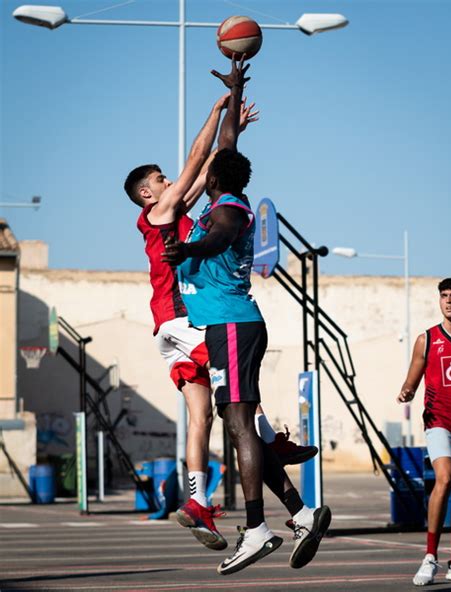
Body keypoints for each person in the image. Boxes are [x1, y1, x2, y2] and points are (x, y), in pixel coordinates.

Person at [124, 60, 316, 553]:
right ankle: (274, 445)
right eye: (162, 178)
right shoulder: (162, 213)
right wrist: (217, 110)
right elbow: (200, 157)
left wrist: (229, 106)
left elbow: (214, 157)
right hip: (185, 321)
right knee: (240, 407)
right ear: (147, 194)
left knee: (202, 417)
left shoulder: (177, 211)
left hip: (170, 330)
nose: (172, 180)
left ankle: (197, 501)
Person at [397, 278, 451, 586]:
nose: (448, 301)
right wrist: (406, 391)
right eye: (444, 296)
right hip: (439, 421)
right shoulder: (426, 339)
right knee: (443, 478)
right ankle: (430, 557)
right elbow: (411, 382)